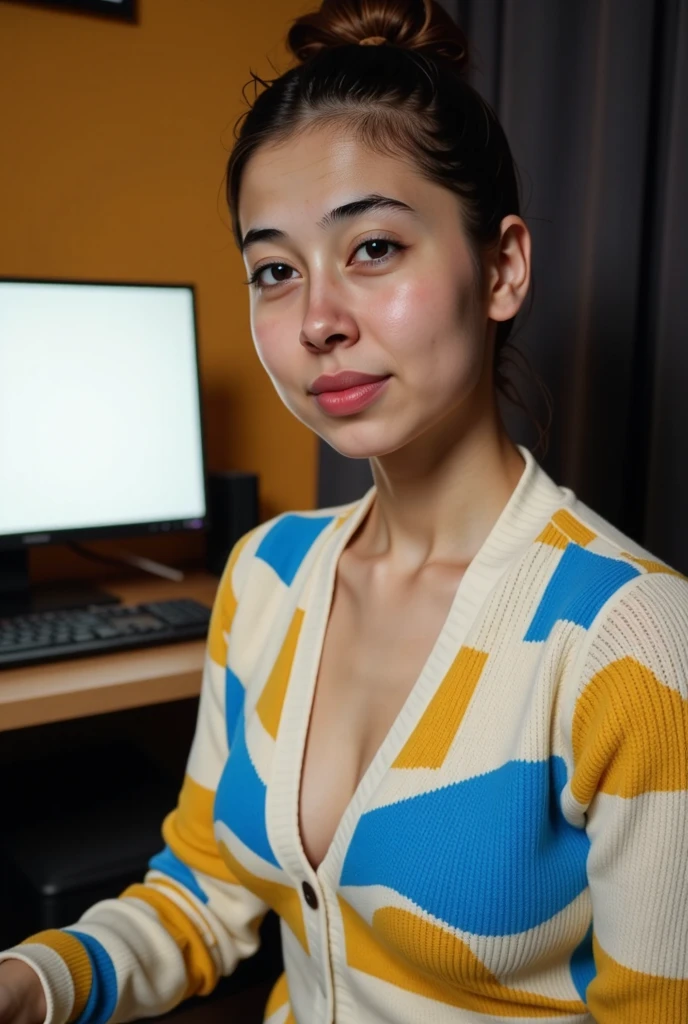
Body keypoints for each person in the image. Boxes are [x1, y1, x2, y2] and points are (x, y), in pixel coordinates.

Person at [1, 0, 687, 1021]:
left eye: (372, 248)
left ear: (501, 267)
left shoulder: (629, 640)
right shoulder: (265, 574)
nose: (317, 319)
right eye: (275, 270)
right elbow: (203, 895)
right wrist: (26, 981)